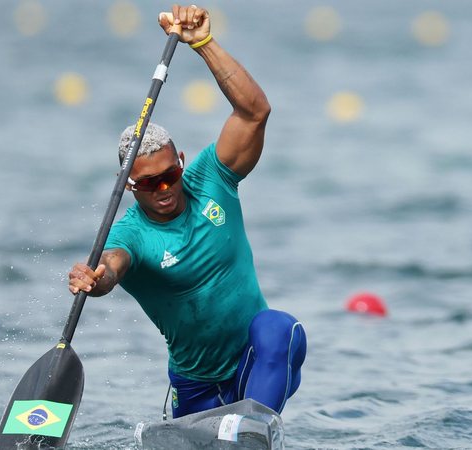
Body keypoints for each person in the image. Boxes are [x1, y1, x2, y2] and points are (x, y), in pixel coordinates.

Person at [68, 4, 306, 418]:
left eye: (169, 175)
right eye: (147, 183)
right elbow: (113, 264)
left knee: (280, 329)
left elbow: (254, 112)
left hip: (258, 366)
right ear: (128, 185)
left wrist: (204, 44)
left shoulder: (212, 177)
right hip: (197, 389)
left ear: (180, 160)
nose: (164, 189)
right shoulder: (131, 234)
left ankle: (249, 433)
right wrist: (96, 277)